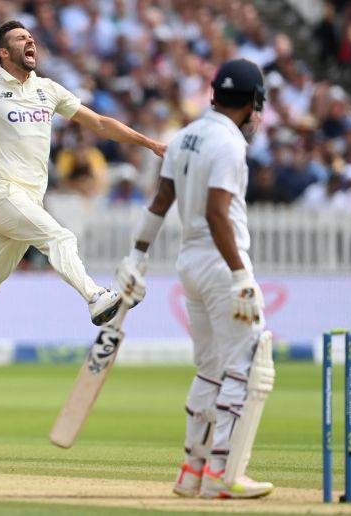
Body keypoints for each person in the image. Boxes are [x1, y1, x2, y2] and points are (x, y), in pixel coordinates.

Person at [0, 20, 166, 396]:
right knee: (60, 234)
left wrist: (150, 143)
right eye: (20, 39)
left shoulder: (48, 90)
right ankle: (94, 295)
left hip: (28, 202)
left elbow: (101, 123)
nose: (30, 41)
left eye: (30, 36)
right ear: (3, 54)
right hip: (4, 195)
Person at [115, 59, 274, 499]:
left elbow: (161, 201)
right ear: (252, 102)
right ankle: (224, 474)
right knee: (243, 367)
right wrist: (241, 275)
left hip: (190, 264)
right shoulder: (229, 142)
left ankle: (191, 470)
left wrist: (136, 257)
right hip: (224, 264)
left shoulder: (184, 136)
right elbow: (216, 212)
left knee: (208, 369)